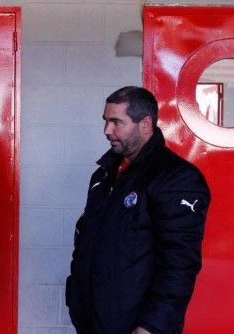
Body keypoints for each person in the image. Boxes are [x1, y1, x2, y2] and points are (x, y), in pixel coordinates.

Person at [65, 86, 210, 334]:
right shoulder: (104, 175)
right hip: (94, 322)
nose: (106, 131)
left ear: (145, 124)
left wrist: (152, 326)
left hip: (137, 327)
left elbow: (178, 265)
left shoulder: (175, 178)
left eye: (116, 122)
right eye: (106, 121)